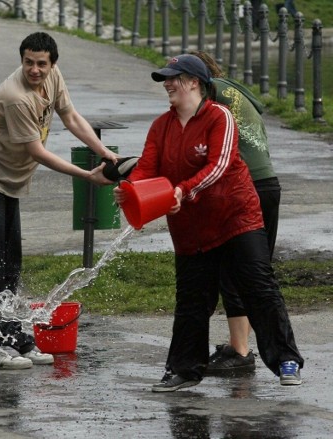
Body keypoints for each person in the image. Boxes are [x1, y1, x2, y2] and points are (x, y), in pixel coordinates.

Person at [113, 54, 304, 392]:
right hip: (191, 227)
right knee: (191, 298)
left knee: (258, 286)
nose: (168, 84)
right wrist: (130, 190)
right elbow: (147, 169)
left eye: (174, 78)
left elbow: (218, 167)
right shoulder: (161, 125)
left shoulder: (220, 117)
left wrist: (181, 190)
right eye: (165, 79)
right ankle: (184, 370)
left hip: (236, 218)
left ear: (194, 83)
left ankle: (286, 360)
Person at [0, 32, 117, 369]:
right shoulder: (17, 97)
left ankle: (14, 339)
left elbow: (71, 117)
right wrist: (88, 175)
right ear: (22, 60)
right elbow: (37, 152)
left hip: (7, 185)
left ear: (52, 64)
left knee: (10, 265)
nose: (34, 69)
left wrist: (103, 153)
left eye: (41, 63)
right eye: (28, 62)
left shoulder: (53, 78)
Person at [192, 51, 282, 374]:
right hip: (268, 185)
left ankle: (241, 353)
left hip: (247, 189)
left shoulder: (210, 94)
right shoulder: (234, 90)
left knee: (232, 270)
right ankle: (239, 344)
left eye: (182, 80)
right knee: (252, 272)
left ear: (197, 79)